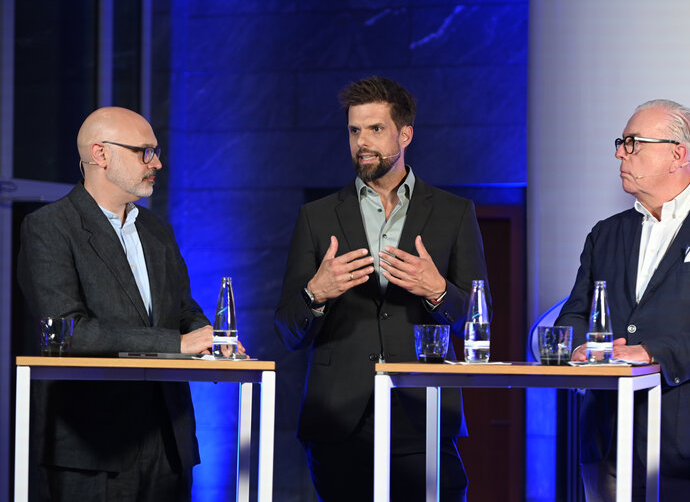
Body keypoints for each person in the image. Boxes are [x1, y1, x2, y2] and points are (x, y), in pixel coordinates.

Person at [274, 76, 491, 501]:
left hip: (422, 412)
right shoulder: (316, 217)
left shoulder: (454, 213)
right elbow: (287, 330)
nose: (362, 142)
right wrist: (315, 294)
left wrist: (438, 291)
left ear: (404, 134)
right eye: (355, 131)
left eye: (375, 129)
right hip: (338, 419)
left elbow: (476, 318)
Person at [555, 99, 690, 501]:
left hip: (689, 445)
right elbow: (576, 313)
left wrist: (649, 352)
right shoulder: (605, 234)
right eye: (621, 143)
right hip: (605, 442)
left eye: (633, 143)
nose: (620, 152)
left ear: (678, 154)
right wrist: (581, 346)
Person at [17, 106, 233, 501]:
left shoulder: (157, 229)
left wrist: (212, 341)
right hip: (92, 447)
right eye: (144, 152)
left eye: (156, 151)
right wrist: (178, 344)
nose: (158, 162)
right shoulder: (49, 227)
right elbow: (68, 332)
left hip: (169, 442)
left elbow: (185, 310)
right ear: (101, 155)